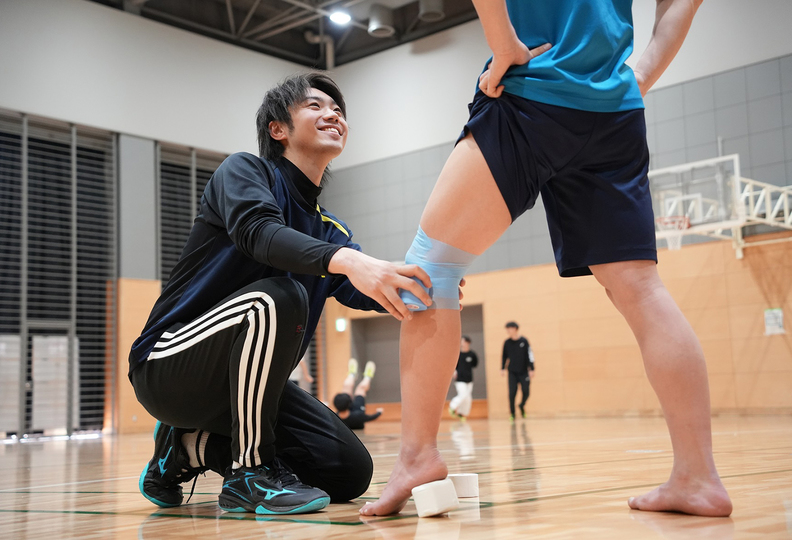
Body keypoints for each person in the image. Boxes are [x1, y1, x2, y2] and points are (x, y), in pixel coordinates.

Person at [362, 0, 732, 518]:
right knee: (643, 290)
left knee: (431, 269)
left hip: (534, 86)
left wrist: (503, 45)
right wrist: (642, 70)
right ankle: (698, 476)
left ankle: (417, 457)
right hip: (615, 107)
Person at [130, 72, 433, 516]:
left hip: (246, 387)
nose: (332, 113)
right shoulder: (243, 171)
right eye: (315, 105)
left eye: (338, 109)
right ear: (278, 129)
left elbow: (368, 289)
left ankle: (187, 450)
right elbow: (261, 233)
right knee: (278, 297)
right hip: (169, 366)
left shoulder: (332, 231)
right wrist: (347, 259)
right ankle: (249, 474)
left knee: (347, 472)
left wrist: (426, 288)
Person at [332, 358, 383, 430]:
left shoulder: (336, 418)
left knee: (349, 387)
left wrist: (379, 412)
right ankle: (364, 376)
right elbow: (370, 417)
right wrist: (379, 412)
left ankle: (356, 375)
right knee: (360, 388)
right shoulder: (359, 416)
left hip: (347, 414)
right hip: (357, 409)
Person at [501, 322, 534, 422]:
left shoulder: (524, 341)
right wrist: (502, 368)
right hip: (512, 372)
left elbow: (530, 355)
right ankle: (512, 414)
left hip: (524, 371)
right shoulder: (507, 342)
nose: (508, 331)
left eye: (509, 328)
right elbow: (504, 356)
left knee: (526, 391)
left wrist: (531, 368)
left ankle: (521, 405)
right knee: (512, 393)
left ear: (515, 329)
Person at [449, 336, 478, 419]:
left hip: (469, 379)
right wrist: (454, 371)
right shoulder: (458, 354)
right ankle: (452, 406)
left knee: (468, 398)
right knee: (463, 394)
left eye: (463, 341)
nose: (462, 343)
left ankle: (462, 414)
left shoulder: (472, 354)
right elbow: (453, 365)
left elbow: (475, 364)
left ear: (468, 343)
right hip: (460, 379)